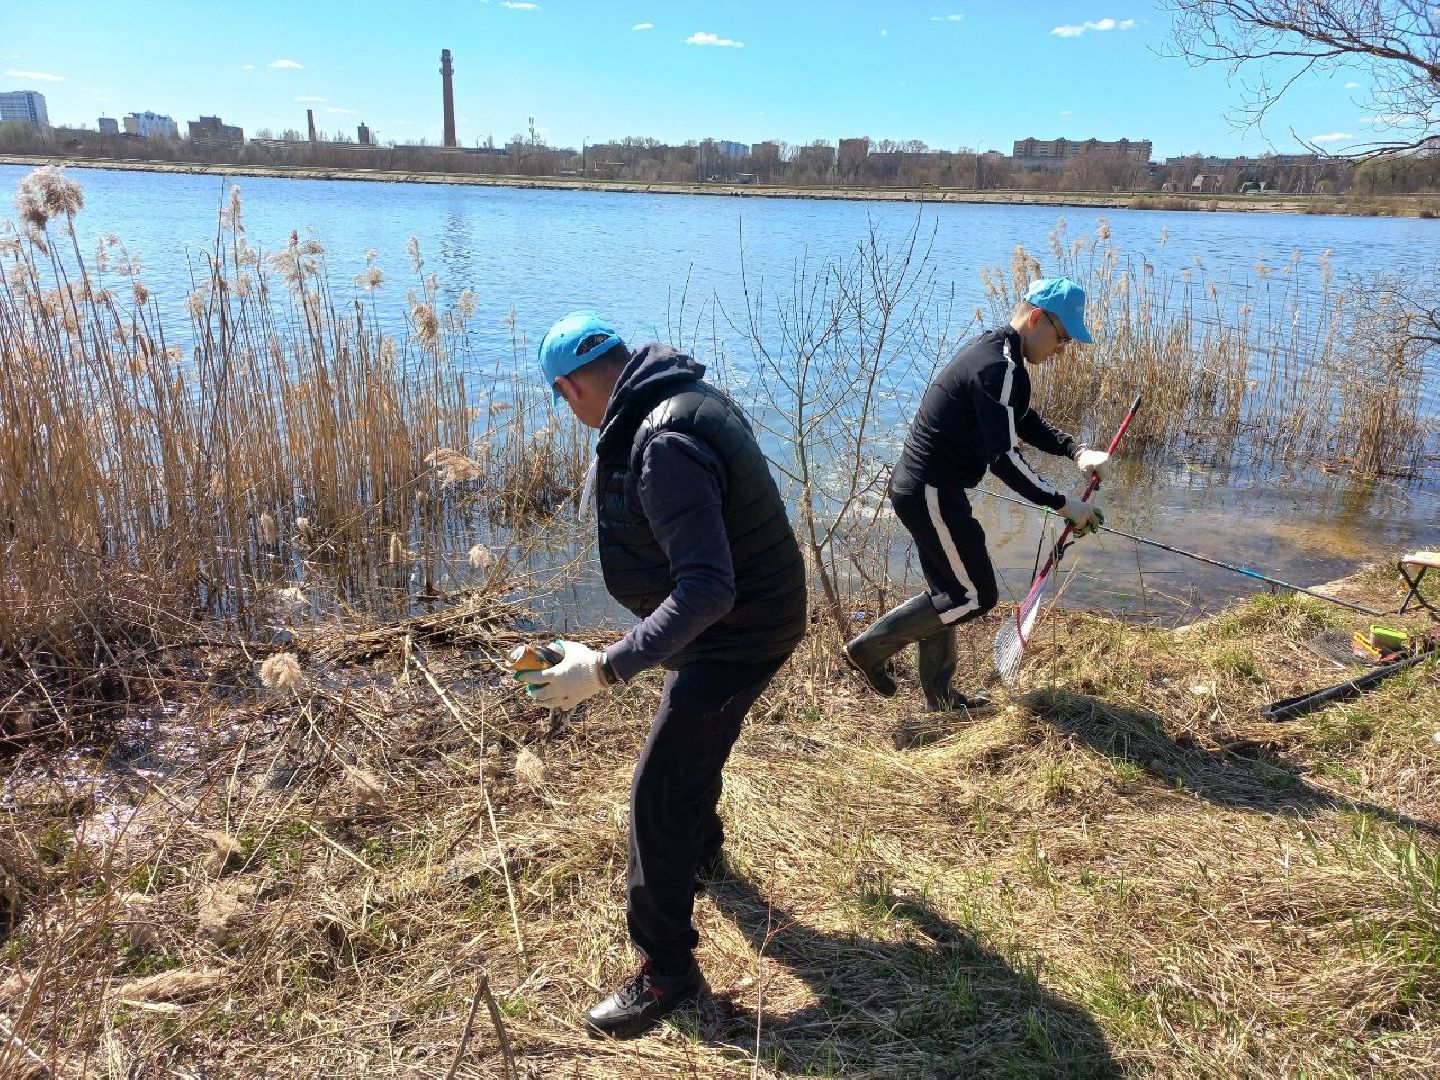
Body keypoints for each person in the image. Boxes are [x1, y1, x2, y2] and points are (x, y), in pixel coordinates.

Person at [518, 311, 807, 1039]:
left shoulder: (664, 440)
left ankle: (665, 969)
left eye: (563, 400)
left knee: (656, 791)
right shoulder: (677, 399)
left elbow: (707, 589)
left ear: (570, 387)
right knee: (692, 746)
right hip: (754, 616)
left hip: (739, 632)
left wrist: (608, 668)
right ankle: (701, 851)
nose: (571, 414)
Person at [842, 277, 1110, 710]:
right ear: (1037, 318)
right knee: (974, 595)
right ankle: (869, 650)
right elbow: (1002, 459)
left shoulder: (1005, 358)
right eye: (1061, 338)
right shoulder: (998, 365)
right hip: (930, 489)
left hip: (930, 489)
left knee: (949, 592)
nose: (1061, 351)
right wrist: (1065, 505)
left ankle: (942, 699)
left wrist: (1074, 450)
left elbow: (1021, 419)